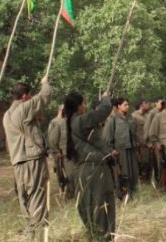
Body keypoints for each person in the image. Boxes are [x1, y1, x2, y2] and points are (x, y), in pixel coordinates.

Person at [2, 77, 51, 239]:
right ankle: (40, 235)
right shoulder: (24, 107)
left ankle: (30, 233)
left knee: (24, 198)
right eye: (29, 95)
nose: (30, 97)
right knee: (37, 194)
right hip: (32, 159)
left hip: (17, 161)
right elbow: (45, 95)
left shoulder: (7, 115)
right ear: (24, 96)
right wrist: (44, 82)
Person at [65, 92, 115, 241]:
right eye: (83, 104)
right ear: (78, 106)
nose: (84, 106)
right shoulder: (79, 121)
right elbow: (104, 111)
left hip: (87, 169)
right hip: (93, 170)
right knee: (100, 207)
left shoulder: (72, 122)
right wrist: (106, 98)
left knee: (92, 206)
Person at [104, 98, 139, 199]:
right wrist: (112, 150)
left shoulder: (129, 117)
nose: (127, 107)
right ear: (119, 106)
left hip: (130, 149)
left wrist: (136, 148)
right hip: (120, 151)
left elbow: (133, 134)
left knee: (133, 172)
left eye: (128, 105)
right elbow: (108, 137)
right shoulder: (113, 119)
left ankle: (131, 193)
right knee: (122, 173)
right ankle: (121, 194)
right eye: (125, 105)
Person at [47, 103, 77, 199]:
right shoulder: (55, 122)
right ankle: (65, 192)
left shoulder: (70, 122)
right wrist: (56, 151)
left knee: (71, 174)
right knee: (61, 175)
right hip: (60, 153)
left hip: (69, 153)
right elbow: (52, 138)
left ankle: (71, 193)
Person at [148, 97, 166, 192]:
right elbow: (152, 133)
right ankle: (162, 188)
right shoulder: (158, 117)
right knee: (162, 168)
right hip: (163, 147)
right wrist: (157, 143)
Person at [131, 99, 151, 182]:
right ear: (141, 105)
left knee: (148, 161)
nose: (147, 105)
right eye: (145, 103)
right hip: (140, 143)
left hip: (148, 143)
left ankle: (147, 178)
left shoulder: (147, 115)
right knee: (142, 161)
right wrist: (135, 143)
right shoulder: (134, 116)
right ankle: (141, 177)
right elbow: (132, 131)